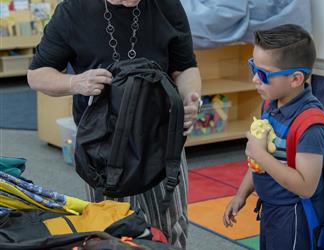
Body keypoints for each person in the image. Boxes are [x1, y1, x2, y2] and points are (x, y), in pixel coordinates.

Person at [27, 0, 202, 248]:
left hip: (160, 137)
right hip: (103, 145)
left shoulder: (167, 5)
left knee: (171, 226)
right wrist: (75, 83)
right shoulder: (73, 10)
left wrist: (190, 99)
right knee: (109, 229)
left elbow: (185, 67)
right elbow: (36, 75)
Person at [223, 24, 324, 250]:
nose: (254, 79)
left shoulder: (310, 125)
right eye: (253, 67)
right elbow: (258, 164)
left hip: (296, 215)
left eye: (262, 74)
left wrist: (259, 153)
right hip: (271, 209)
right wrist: (241, 194)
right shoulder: (271, 105)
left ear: (295, 79)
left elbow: (305, 187)